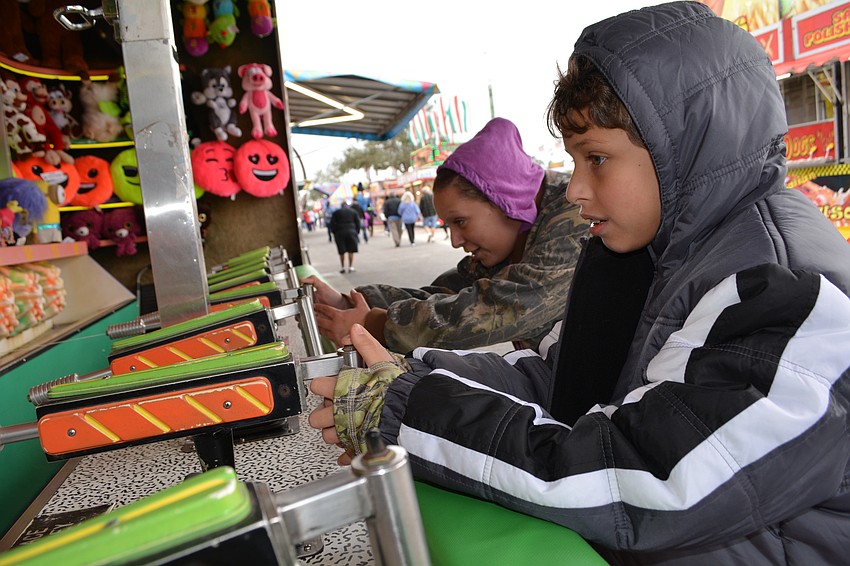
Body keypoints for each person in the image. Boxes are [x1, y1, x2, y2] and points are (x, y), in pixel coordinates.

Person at [308, 3, 850, 563]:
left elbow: (641, 482)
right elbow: (558, 379)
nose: (574, 192)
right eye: (575, 160)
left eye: (597, 159)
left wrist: (411, 411)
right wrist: (409, 378)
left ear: (683, 151)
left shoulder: (788, 292)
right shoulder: (647, 255)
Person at [302, 117, 587, 353]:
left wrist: (375, 323)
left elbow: (508, 306)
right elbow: (444, 295)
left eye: (461, 221)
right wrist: (350, 303)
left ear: (504, 200)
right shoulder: (515, 233)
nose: (455, 240)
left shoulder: (574, 216)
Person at [329, 201, 360, 273]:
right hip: (351, 231)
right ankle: (350, 267)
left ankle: (342, 267)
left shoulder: (336, 212)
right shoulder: (353, 212)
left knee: (341, 251)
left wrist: (334, 232)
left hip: (339, 232)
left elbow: (332, 224)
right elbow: (358, 222)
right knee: (351, 250)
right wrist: (356, 231)